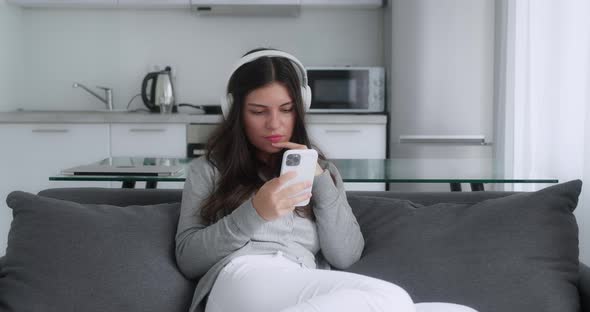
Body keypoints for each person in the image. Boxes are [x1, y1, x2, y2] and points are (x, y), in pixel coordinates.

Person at [175, 48, 478, 312]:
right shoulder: (209, 169)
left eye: (286, 109)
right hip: (240, 278)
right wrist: (256, 212)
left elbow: (345, 256)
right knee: (392, 298)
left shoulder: (324, 173)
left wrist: (321, 181)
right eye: (258, 111)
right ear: (236, 111)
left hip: (301, 280)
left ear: (301, 107)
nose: (274, 124)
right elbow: (189, 259)